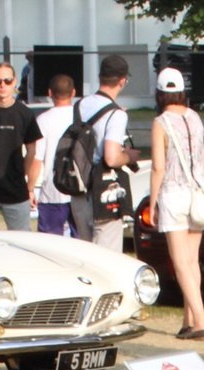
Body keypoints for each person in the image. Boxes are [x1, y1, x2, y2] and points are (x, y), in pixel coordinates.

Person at [148, 67, 204, 340]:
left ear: (160, 94)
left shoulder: (161, 122)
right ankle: (189, 319)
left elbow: (158, 168)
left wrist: (152, 202)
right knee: (192, 261)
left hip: (173, 193)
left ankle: (200, 321)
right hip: (197, 192)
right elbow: (202, 155)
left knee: (180, 262)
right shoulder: (195, 118)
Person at [73, 54, 137, 250]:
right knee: (106, 258)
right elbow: (111, 157)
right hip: (103, 193)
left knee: (85, 254)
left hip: (78, 189)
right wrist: (128, 156)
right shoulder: (116, 114)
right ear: (123, 80)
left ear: (101, 77)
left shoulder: (80, 105)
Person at [0, 61, 41, 230]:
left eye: (7, 81)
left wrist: (29, 186)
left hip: (17, 191)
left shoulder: (24, 113)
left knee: (23, 243)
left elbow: (32, 152)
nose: (2, 85)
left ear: (15, 82)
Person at [31, 73, 78, 235]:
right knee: (83, 244)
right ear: (73, 93)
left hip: (52, 190)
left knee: (49, 243)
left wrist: (30, 188)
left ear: (50, 93)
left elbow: (36, 159)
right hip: (79, 189)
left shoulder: (43, 120)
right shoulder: (82, 117)